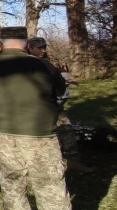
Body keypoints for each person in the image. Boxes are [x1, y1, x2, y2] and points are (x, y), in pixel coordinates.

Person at [0, 27, 73, 210]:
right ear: (26, 44)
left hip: (2, 133)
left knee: (12, 184)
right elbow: (61, 93)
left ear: (1, 44)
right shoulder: (43, 65)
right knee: (49, 186)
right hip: (40, 133)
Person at [26, 37, 93, 173]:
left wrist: (64, 81)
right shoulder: (25, 64)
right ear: (30, 48)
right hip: (37, 106)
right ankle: (36, 166)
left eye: (44, 47)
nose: (43, 51)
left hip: (55, 104)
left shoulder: (47, 63)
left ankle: (73, 161)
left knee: (66, 129)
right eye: (39, 48)